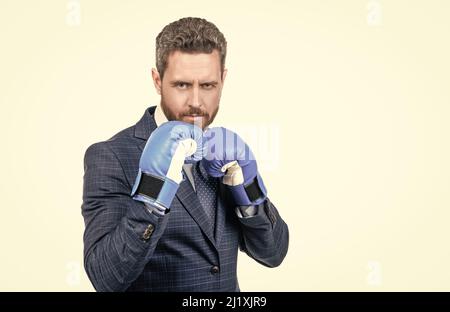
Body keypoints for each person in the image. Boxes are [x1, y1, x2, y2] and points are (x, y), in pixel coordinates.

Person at [81, 17, 289, 292]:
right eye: (181, 85)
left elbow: (273, 254)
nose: (195, 101)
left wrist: (248, 187)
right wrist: (153, 190)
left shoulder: (226, 152)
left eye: (207, 85)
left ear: (223, 80)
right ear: (157, 80)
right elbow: (105, 277)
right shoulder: (111, 156)